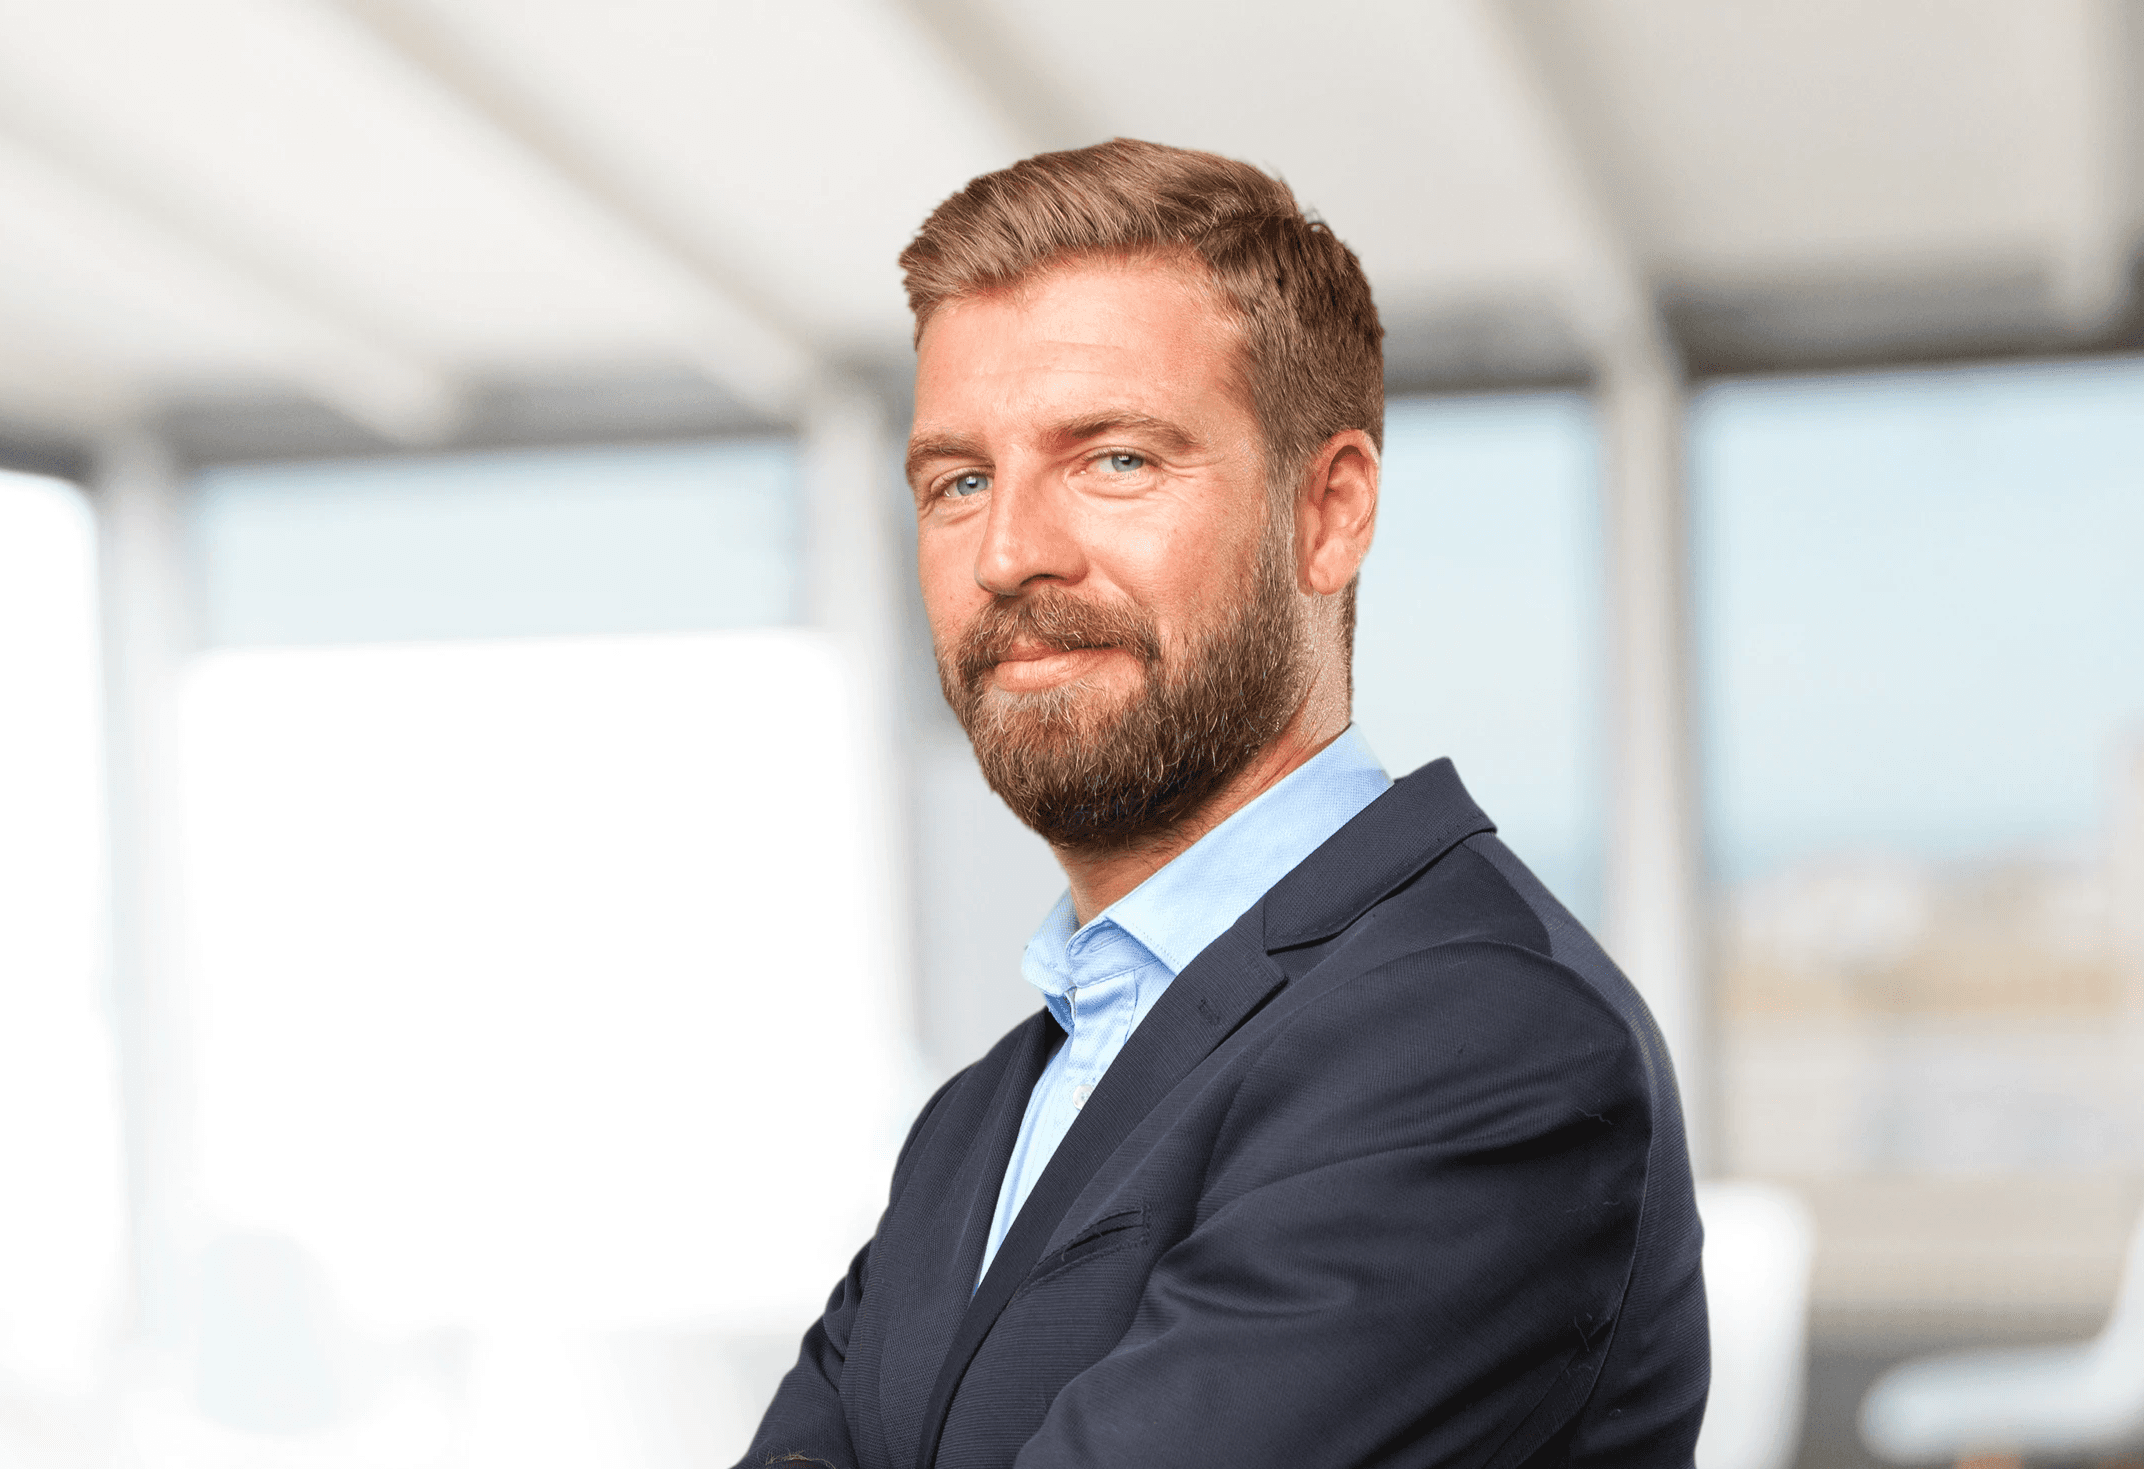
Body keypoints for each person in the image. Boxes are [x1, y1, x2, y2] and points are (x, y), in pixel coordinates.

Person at [739, 138, 1708, 1469]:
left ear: (1331, 512)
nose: (1012, 550)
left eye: (1116, 460)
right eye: (960, 480)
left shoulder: (1479, 1038)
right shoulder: (980, 1118)